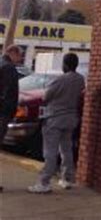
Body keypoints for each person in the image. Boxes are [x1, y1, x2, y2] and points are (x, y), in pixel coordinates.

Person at [28, 52, 85, 194]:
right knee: (66, 149)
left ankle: (44, 182)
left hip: (54, 118)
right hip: (71, 118)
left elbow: (46, 97)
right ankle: (67, 179)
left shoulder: (59, 80)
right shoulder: (80, 79)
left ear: (64, 64)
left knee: (50, 152)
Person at [0, 44, 23, 193]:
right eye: (20, 55)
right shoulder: (8, 68)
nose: (20, 59)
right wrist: (8, 112)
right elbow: (8, 93)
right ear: (12, 53)